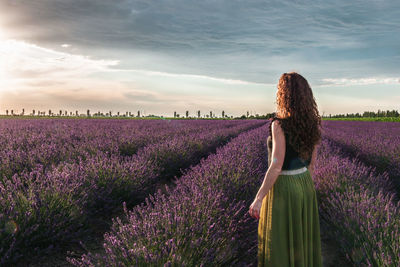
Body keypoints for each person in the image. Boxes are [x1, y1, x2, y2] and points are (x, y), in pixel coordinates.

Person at [249, 72, 323, 266]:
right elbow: (312, 163)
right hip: (305, 183)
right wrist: (303, 184)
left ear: (285, 95)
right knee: (302, 241)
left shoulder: (279, 124)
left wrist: (259, 198)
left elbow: (275, 165)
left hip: (284, 187)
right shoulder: (313, 123)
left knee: (279, 244)